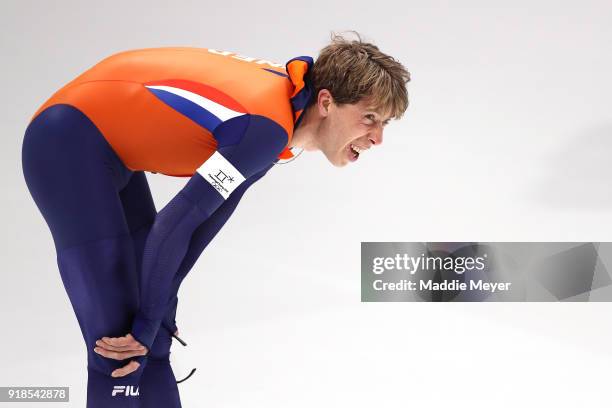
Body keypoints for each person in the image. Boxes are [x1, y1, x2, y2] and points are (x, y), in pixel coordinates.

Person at [21, 31, 410, 408]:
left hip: (108, 147)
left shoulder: (282, 130)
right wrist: (145, 321)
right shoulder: (266, 128)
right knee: (119, 350)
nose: (377, 138)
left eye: (384, 123)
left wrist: (157, 314)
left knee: (153, 341)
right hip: (65, 142)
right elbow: (173, 226)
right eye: (369, 117)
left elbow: (201, 226)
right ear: (326, 102)